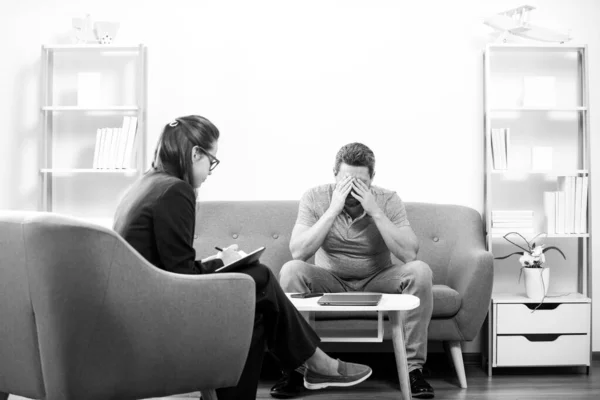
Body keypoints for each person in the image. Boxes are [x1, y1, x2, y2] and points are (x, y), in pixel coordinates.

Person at [113, 116, 372, 400]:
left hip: (141, 304)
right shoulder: (176, 190)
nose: (211, 172)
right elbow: (181, 279)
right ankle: (318, 363)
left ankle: (311, 366)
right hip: (159, 311)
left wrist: (221, 263)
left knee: (256, 312)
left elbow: (172, 267)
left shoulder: (147, 184)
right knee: (259, 277)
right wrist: (232, 270)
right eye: (211, 161)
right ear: (195, 153)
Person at [275, 142, 434, 399]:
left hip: (377, 278)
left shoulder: (388, 200)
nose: (352, 191)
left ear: (372, 179)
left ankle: (413, 370)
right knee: (291, 270)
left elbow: (409, 254)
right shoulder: (315, 197)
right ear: (335, 175)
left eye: (360, 183)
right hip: (330, 279)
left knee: (420, 271)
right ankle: (297, 369)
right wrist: (333, 208)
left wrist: (375, 211)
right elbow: (299, 252)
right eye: (346, 182)